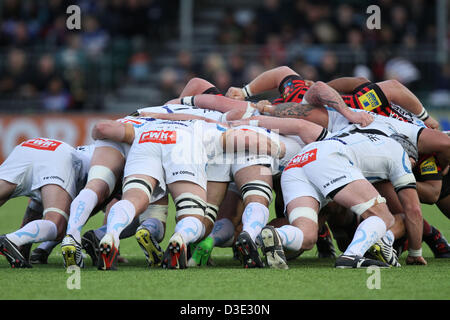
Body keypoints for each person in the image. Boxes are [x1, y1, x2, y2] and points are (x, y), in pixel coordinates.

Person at [0, 138, 93, 268]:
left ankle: (16, 243)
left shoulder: (102, 148)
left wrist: (25, 249)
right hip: (57, 158)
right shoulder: (121, 162)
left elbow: (37, 203)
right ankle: (12, 239)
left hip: (31, 146)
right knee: (57, 225)